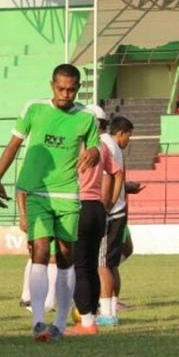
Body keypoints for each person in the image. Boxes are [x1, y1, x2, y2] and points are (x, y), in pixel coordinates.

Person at [0, 63, 99, 342]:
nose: (66, 94)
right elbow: (13, 145)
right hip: (36, 192)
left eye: (71, 89)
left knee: (65, 256)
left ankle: (60, 323)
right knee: (39, 250)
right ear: (52, 85)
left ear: (77, 88)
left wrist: (94, 154)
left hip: (67, 194)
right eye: (61, 88)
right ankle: (39, 321)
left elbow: (95, 149)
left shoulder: (87, 118)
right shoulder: (34, 110)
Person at [66, 105, 120, 336]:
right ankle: (93, 316)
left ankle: (86, 322)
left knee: (78, 266)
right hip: (97, 208)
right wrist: (108, 203)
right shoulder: (102, 147)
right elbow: (117, 174)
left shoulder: (74, 145)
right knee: (91, 266)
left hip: (78, 206)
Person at [97, 116, 141, 326]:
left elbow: (110, 179)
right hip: (118, 212)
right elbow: (117, 178)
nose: (128, 140)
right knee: (111, 263)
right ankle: (112, 306)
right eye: (129, 136)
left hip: (111, 213)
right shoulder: (112, 146)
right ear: (120, 133)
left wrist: (105, 207)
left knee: (102, 264)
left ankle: (107, 313)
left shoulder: (105, 145)